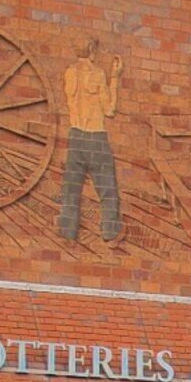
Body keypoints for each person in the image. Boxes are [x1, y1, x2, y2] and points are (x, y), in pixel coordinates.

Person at [56, 33, 123, 242]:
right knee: (108, 189)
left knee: (71, 189)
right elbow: (110, 109)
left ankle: (68, 231)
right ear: (92, 50)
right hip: (96, 137)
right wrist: (115, 78)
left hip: (76, 135)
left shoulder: (69, 72)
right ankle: (110, 232)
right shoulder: (97, 74)